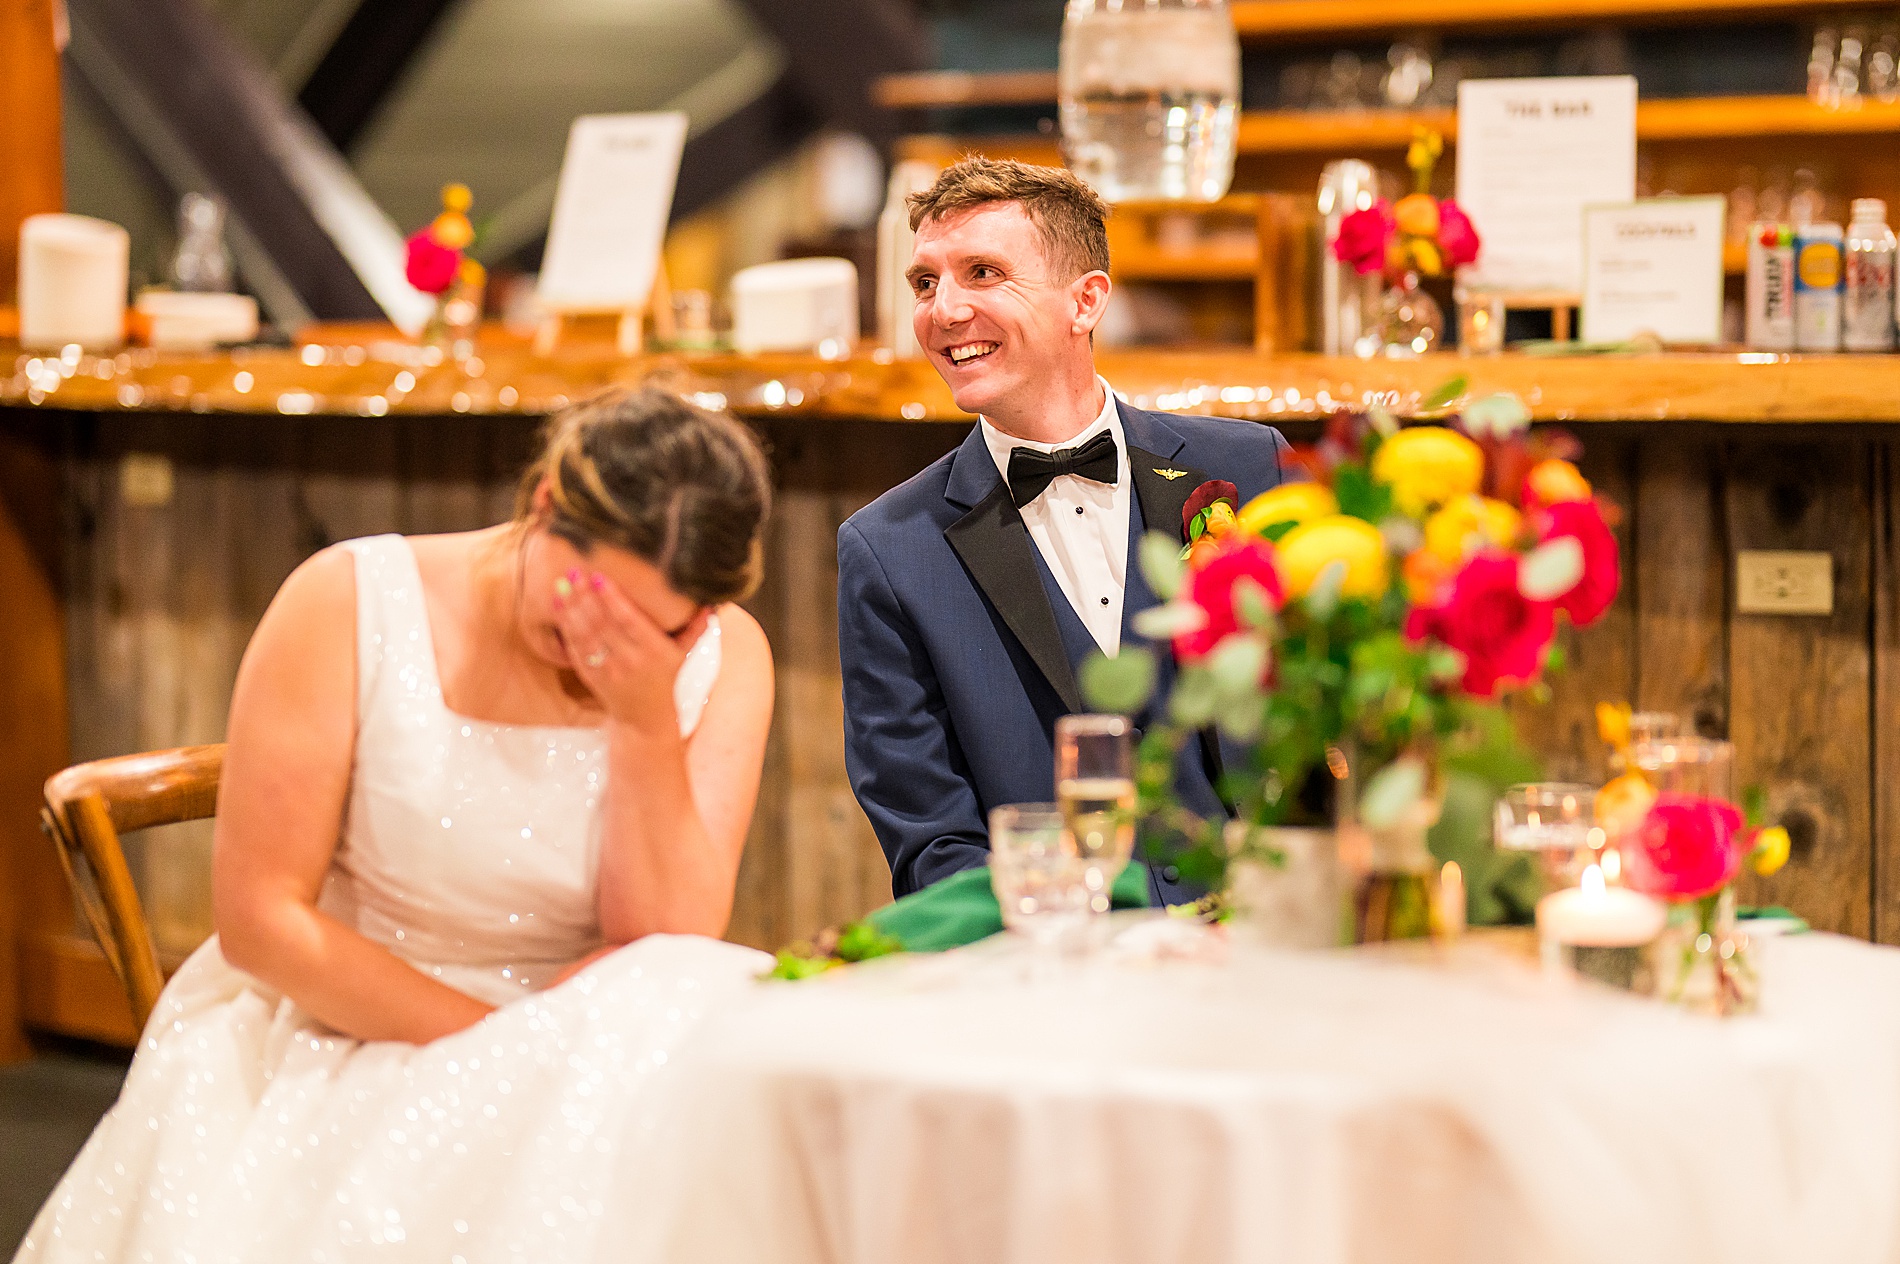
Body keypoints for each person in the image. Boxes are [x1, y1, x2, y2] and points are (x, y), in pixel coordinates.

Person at [17, 386, 776, 1262]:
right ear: (542, 510)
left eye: (660, 630)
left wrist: (643, 719)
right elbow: (263, 922)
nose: (606, 645)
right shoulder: (348, 602)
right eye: (591, 599)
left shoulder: (721, 659)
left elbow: (665, 947)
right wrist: (504, 1049)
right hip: (355, 1031)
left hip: (591, 1041)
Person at [838, 157, 1296, 904]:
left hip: (1267, 943)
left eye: (981, 273)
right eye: (925, 282)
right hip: (1058, 975)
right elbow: (933, 846)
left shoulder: (1250, 469)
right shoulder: (888, 551)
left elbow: (1325, 724)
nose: (943, 311)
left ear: (1085, 303)